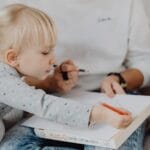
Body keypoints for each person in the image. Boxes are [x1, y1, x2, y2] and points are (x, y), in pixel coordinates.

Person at [0, 3, 133, 150]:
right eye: (45, 53)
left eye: (52, 50)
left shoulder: (9, 76)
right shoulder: (3, 80)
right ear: (12, 57)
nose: (53, 59)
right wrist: (100, 114)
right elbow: (44, 105)